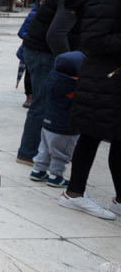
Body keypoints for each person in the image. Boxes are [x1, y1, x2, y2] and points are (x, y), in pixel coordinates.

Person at [16, 0, 96, 163]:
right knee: (42, 104)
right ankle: (28, 153)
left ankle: (34, 153)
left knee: (44, 103)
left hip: (40, 49)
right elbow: (56, 34)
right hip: (43, 52)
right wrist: (70, 62)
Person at [61, 0, 120, 219]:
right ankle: (73, 194)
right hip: (104, 79)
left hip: (111, 79)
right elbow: (94, 41)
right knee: (91, 135)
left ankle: (119, 199)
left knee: (116, 138)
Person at [30, 51, 83, 189]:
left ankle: (38, 170)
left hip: (48, 123)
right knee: (60, 154)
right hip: (64, 129)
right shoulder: (73, 85)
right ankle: (55, 176)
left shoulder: (52, 78)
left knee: (44, 149)